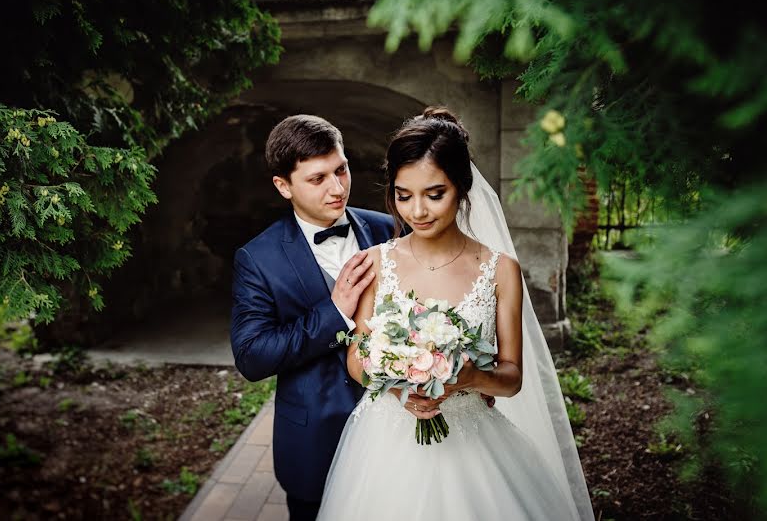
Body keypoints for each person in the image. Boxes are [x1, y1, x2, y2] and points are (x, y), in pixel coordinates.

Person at [316, 107, 595, 520]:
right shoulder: (374, 263)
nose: (417, 212)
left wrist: (471, 378)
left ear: (462, 187)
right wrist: (400, 389)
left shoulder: (500, 270)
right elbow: (357, 359)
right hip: (386, 442)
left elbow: (512, 377)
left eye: (435, 194)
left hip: (473, 438)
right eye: (403, 195)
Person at [230, 114, 397, 521]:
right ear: (283, 186)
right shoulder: (257, 258)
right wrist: (335, 311)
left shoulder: (388, 229)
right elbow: (252, 356)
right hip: (314, 441)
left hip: (396, 427)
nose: (337, 188)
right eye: (317, 179)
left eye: (341, 169)